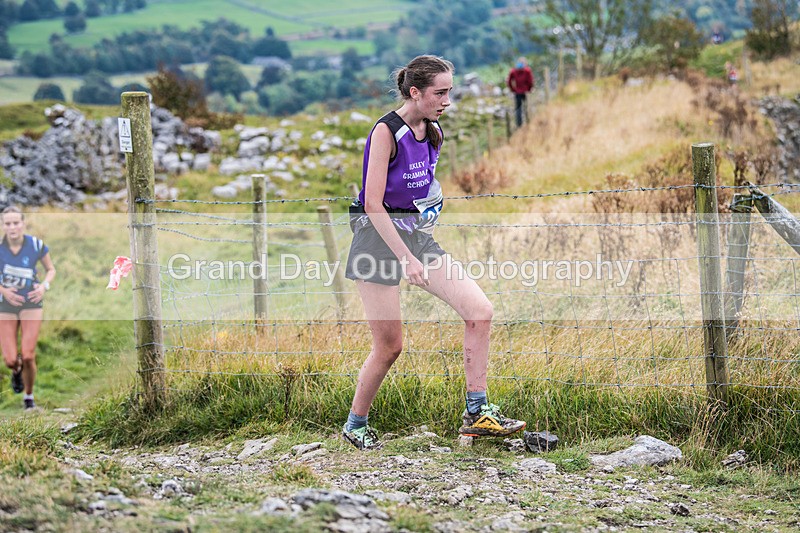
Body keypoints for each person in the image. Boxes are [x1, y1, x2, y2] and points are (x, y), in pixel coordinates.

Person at [342, 55, 526, 450]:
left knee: (479, 311)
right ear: (415, 92)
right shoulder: (385, 132)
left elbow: (419, 189)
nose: (447, 100)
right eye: (439, 93)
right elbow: (374, 204)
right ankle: (356, 423)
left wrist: (427, 213)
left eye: (449, 92)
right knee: (390, 346)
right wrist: (405, 258)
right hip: (376, 240)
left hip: (415, 237)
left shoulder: (435, 132)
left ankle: (477, 412)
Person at [0, 206, 55, 410]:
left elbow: (50, 269)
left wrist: (43, 286)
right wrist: (3, 291)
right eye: (8, 223)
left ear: (23, 224)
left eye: (16, 222)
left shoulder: (36, 245)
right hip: (5, 305)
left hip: (31, 302)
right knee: (10, 360)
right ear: (3, 226)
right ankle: (16, 371)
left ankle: (29, 398)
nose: (12, 227)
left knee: (29, 354)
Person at [507, 57, 534, 128]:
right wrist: (529, 89)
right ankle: (528, 122)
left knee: (518, 108)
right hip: (526, 92)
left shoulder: (513, 71)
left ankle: (519, 124)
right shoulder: (527, 71)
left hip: (517, 92)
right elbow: (530, 82)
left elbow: (509, 82)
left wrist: (513, 89)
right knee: (526, 107)